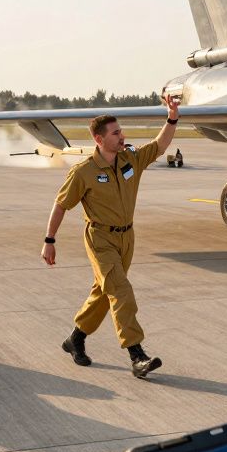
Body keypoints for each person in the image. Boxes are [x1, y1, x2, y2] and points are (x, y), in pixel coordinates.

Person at [41, 100, 180, 378]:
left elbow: (160, 146)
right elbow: (61, 205)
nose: (122, 136)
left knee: (105, 293)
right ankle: (137, 355)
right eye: (115, 133)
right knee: (121, 291)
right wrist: (50, 240)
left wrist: (172, 119)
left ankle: (75, 339)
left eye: (121, 131)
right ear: (98, 138)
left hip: (127, 237)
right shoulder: (83, 172)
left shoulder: (130, 159)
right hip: (100, 238)